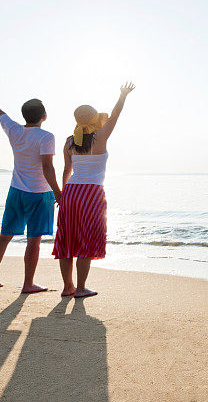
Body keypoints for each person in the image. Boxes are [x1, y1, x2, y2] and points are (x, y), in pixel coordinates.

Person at [0, 71, 61, 293]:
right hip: (39, 194)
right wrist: (58, 193)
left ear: (25, 116)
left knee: (5, 235)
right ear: (44, 116)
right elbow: (47, 168)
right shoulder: (46, 137)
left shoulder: (14, 130)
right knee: (33, 240)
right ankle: (28, 284)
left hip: (16, 191)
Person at [53, 82, 135, 297]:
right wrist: (123, 95)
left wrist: (61, 194)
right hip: (91, 193)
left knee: (67, 239)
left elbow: (66, 170)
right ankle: (80, 288)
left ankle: (67, 287)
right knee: (86, 240)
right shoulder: (100, 138)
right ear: (94, 119)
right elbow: (115, 115)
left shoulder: (70, 142)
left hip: (70, 192)